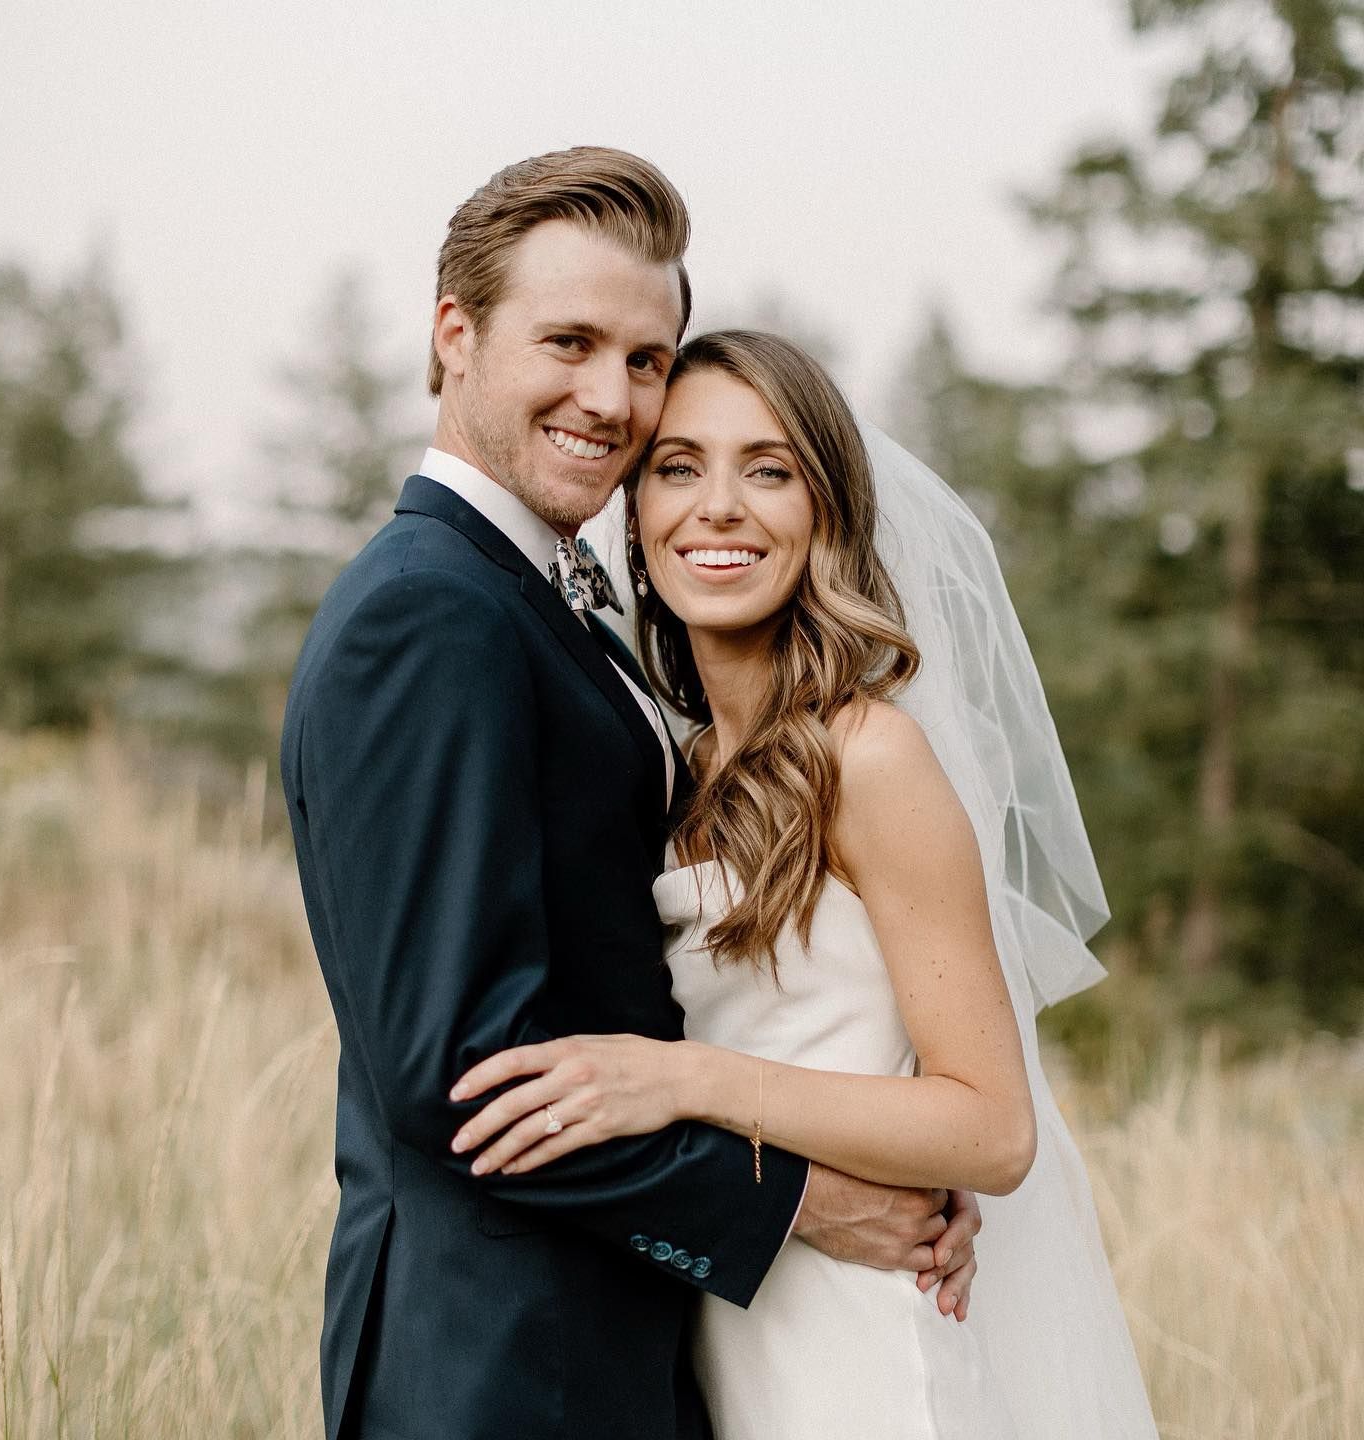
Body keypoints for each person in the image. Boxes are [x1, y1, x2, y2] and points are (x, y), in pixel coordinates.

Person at [280, 151, 981, 1440]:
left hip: (613, 1351)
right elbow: (463, 1076)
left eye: (645, 358)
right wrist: (806, 1202)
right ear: (454, 335)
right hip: (499, 1364)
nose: (611, 399)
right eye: (569, 341)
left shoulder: (534, 600)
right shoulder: (432, 614)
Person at [452, 331, 1160, 1437]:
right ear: (634, 514)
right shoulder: (674, 770)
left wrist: (686, 1081)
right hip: (724, 1328)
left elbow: (989, 1129)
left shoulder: (870, 757)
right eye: (678, 467)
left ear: (825, 511)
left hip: (862, 1348)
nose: (718, 507)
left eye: (769, 470)